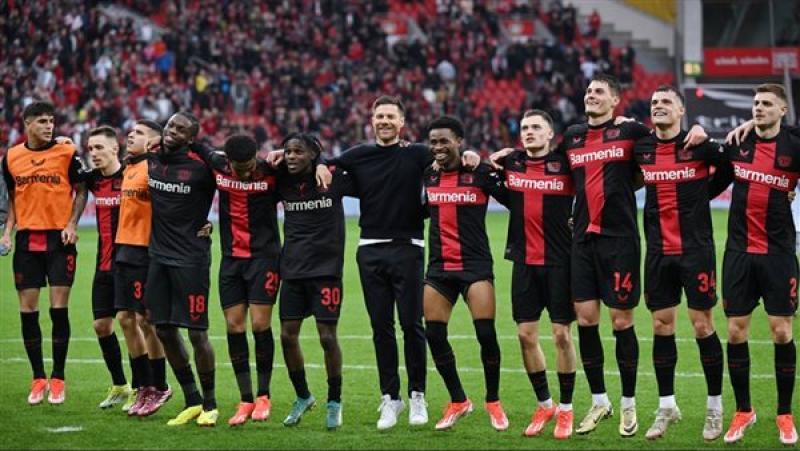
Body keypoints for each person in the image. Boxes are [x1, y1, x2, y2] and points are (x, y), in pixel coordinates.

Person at [316, 95, 479, 430]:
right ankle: (390, 398)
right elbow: (326, 160)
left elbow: (450, 157)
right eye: (379, 116)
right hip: (370, 248)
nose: (385, 121)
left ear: (402, 122)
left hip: (409, 247)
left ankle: (417, 394)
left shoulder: (418, 153)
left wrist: (471, 155)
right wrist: (320, 163)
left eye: (391, 116)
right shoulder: (359, 154)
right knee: (381, 328)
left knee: (412, 325)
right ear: (372, 121)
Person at [632, 86, 728, 440]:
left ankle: (715, 407)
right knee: (661, 326)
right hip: (658, 252)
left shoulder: (698, 145)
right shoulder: (641, 148)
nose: (658, 106)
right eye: (654, 102)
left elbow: (732, 166)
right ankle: (666, 406)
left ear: (681, 110)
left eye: (666, 102)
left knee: (702, 325)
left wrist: (704, 192)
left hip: (696, 250)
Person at [714, 84, 798, 446]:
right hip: (739, 253)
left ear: (783, 110)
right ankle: (744, 410)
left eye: (766, 104)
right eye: (755, 104)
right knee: (736, 332)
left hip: (779, 253)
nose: (759, 108)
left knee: (781, 332)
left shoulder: (794, 144)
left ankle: (784, 414)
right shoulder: (737, 143)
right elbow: (711, 183)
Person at [491, 110, 578, 439]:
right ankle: (545, 404)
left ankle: (566, 409)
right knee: (526, 336)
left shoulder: (566, 164)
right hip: (524, 262)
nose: (529, 132)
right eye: (525, 127)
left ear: (550, 134)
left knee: (561, 336)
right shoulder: (512, 163)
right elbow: (488, 173)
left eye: (536, 127)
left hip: (561, 263)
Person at [420, 116, 509, 432]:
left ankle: (493, 401)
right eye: (433, 142)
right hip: (439, 268)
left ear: (459, 141)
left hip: (475, 266)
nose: (438, 147)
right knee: (434, 335)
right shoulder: (428, 174)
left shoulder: (479, 172)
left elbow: (515, 199)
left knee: (486, 334)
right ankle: (458, 400)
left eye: (444, 141)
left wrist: (485, 161)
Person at [1, 101, 88, 405]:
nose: (49, 126)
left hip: (59, 240)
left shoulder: (67, 152)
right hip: (27, 241)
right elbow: (14, 197)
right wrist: (7, 232)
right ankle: (38, 379)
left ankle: (58, 378)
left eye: (51, 121)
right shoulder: (11, 157)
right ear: (27, 123)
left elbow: (81, 190)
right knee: (28, 311)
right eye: (42, 121)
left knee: (58, 309)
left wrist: (72, 223)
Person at [200, 134, 280, 426]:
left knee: (259, 324)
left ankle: (263, 395)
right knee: (234, 326)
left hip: (264, 259)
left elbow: (306, 156)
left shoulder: (272, 171)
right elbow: (195, 146)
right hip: (231, 260)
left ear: (256, 156)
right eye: (239, 168)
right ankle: (245, 399)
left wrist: (315, 159)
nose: (245, 173)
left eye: (249, 167)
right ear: (228, 160)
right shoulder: (217, 164)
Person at [277, 133, 355, 430]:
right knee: (287, 336)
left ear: (313, 154)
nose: (291, 156)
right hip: (293, 270)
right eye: (288, 151)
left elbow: (363, 169)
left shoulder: (333, 179)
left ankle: (334, 401)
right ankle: (303, 396)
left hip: (326, 271)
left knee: (327, 338)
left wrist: (323, 162)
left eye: (298, 151)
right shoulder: (281, 179)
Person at [145, 111, 218, 427]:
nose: (172, 131)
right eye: (170, 125)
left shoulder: (202, 167)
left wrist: (212, 224)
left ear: (191, 138)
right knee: (162, 329)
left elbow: (235, 186)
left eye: (181, 129)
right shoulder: (150, 158)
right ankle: (192, 400)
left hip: (191, 259)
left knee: (197, 332)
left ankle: (211, 404)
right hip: (158, 257)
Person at [115, 120, 172, 417]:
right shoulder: (130, 166)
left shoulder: (156, 169)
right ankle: (143, 386)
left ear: (153, 142)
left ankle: (159, 385)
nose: (130, 135)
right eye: (131, 131)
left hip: (145, 250)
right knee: (125, 319)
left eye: (138, 133)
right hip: (124, 248)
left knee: (145, 321)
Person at [83, 126, 132, 409]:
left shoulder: (132, 176)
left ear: (115, 148)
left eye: (99, 147)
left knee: (132, 324)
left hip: (130, 264)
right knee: (101, 325)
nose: (94, 153)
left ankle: (144, 387)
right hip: (103, 264)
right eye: (90, 148)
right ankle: (120, 385)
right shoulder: (92, 180)